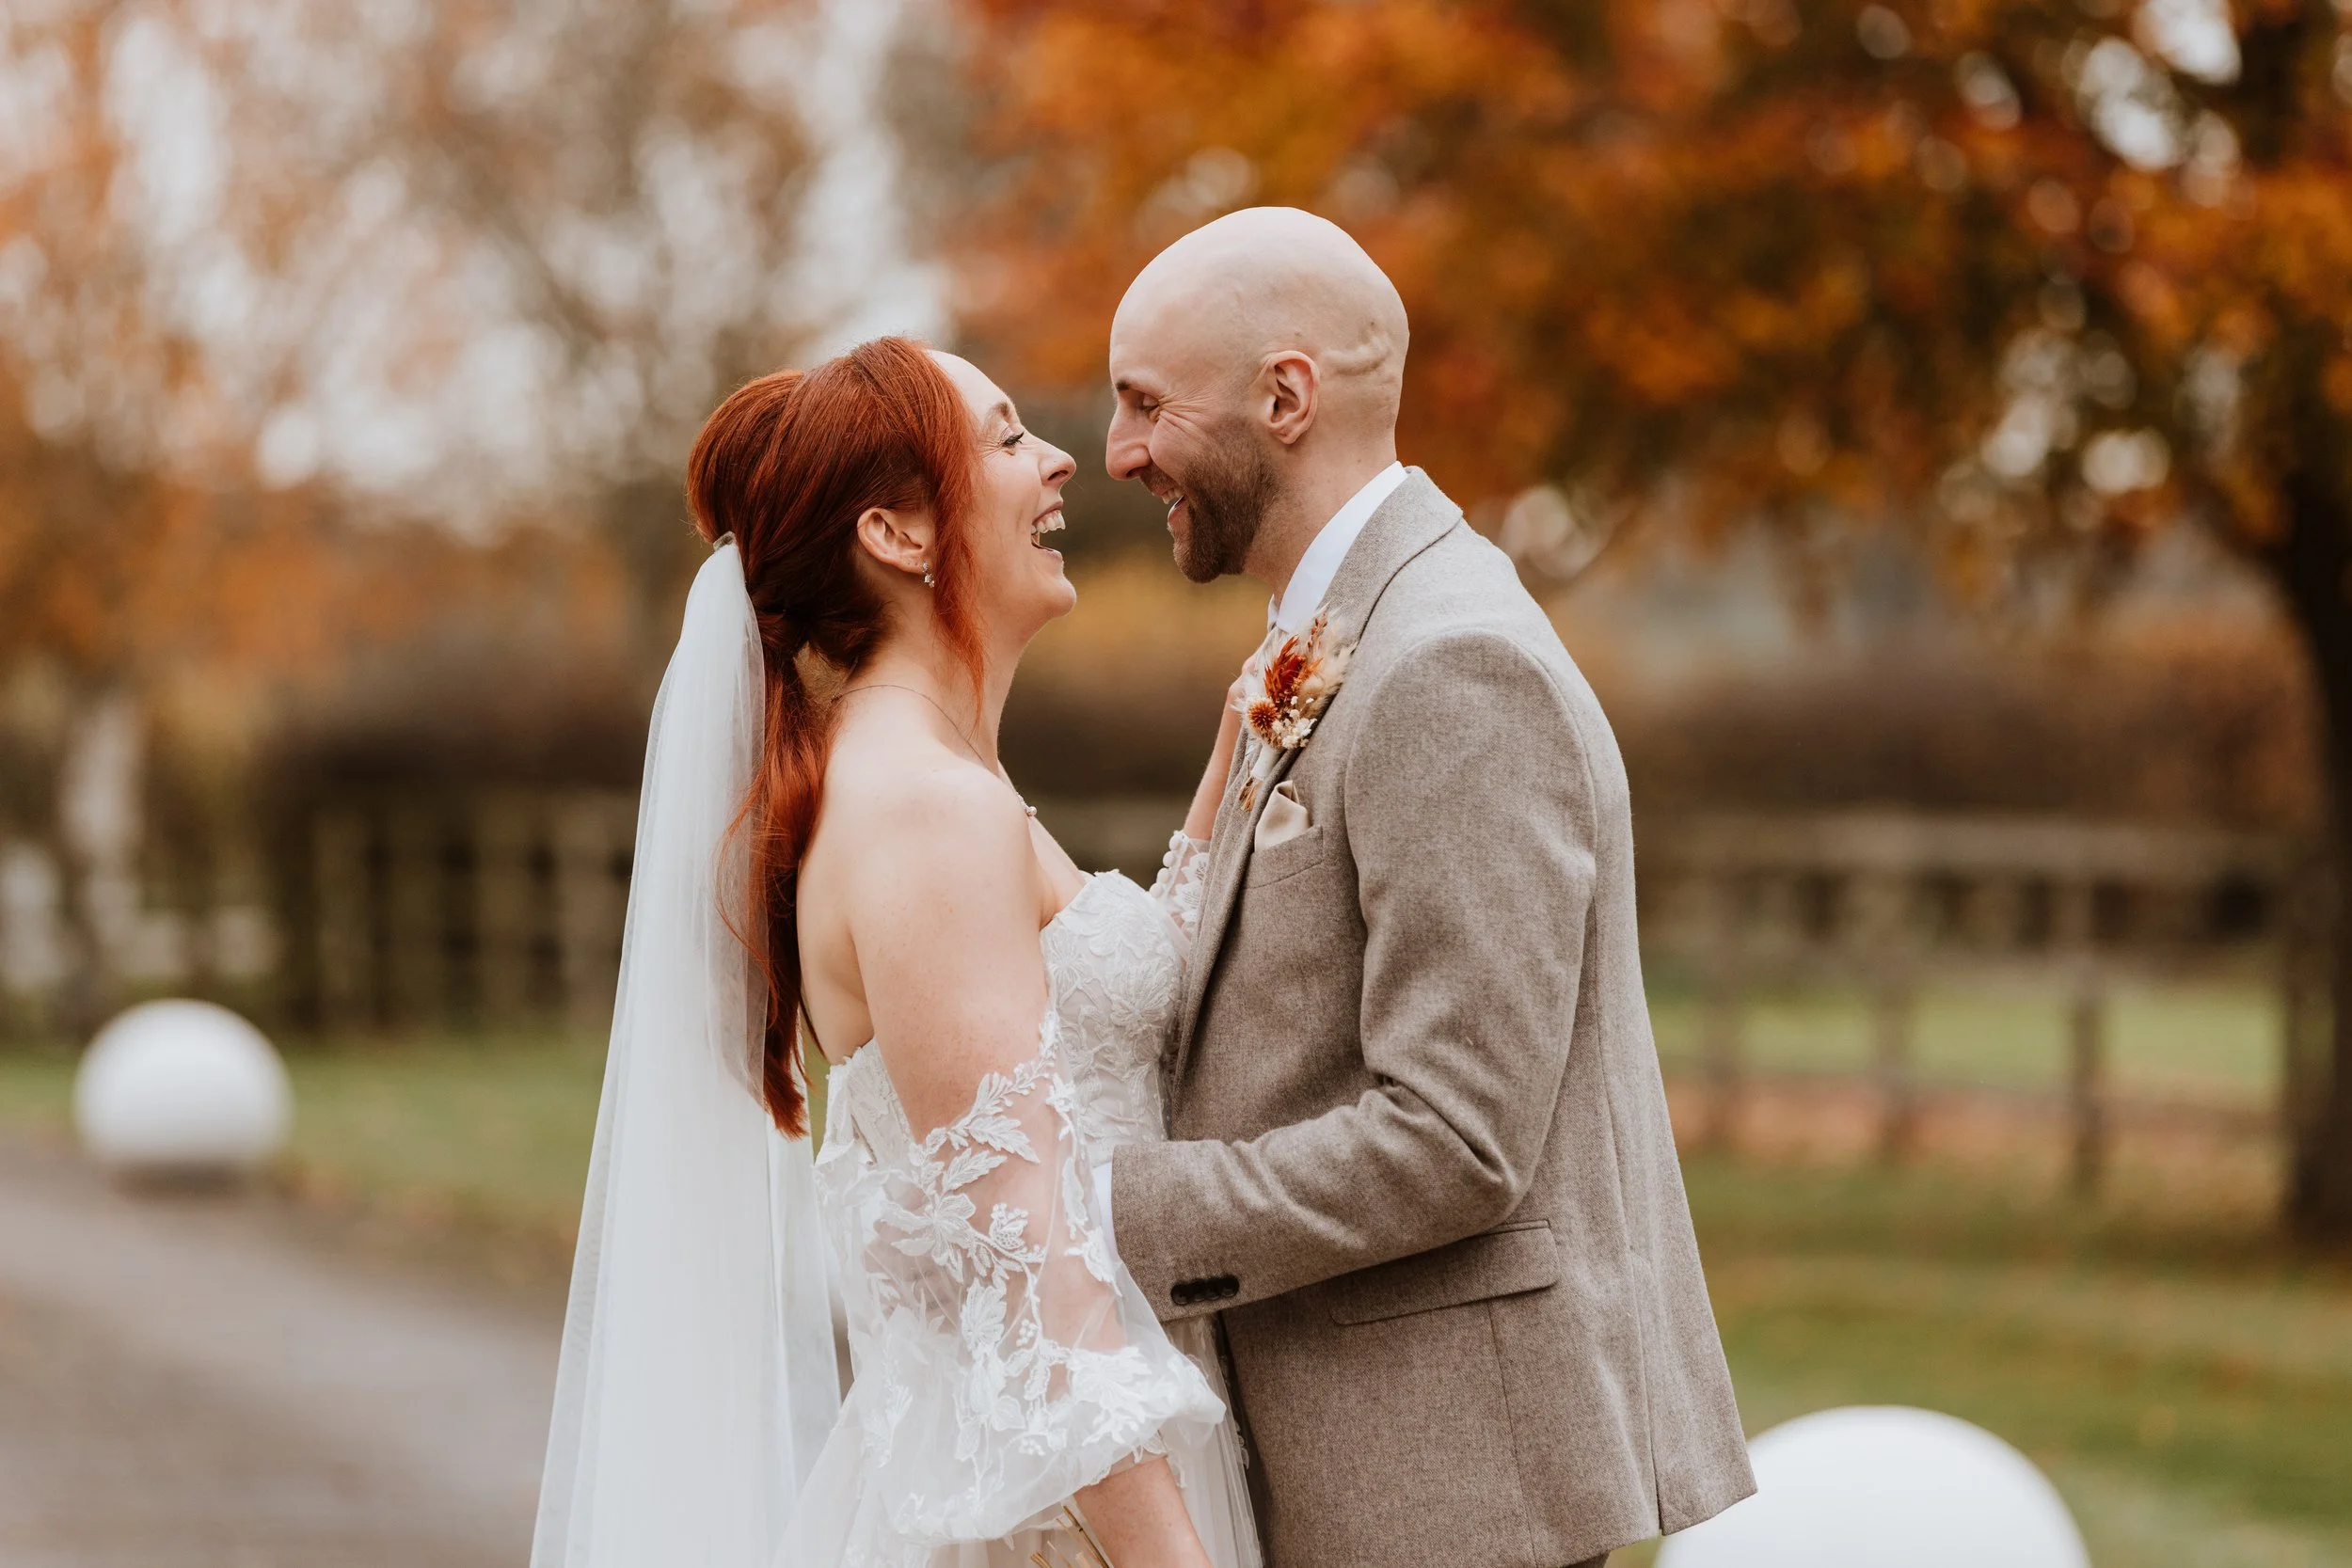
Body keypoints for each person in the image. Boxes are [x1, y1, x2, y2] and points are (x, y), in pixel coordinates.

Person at [1094, 206, 1757, 1568]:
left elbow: (1455, 1136)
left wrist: (1107, 1212)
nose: (1119, 452)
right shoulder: (1353, 637)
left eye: (1146, 403)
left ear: (1286, 396)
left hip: (1456, 1499)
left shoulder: (1449, 667)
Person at [531, 338, 1261, 1568]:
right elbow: (1026, 1260)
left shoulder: (921, 785)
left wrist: (1237, 760)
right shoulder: (927, 811)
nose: (1062, 460)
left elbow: (1084, 1030)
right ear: (900, 533)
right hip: (1053, 1518)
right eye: (1010, 437)